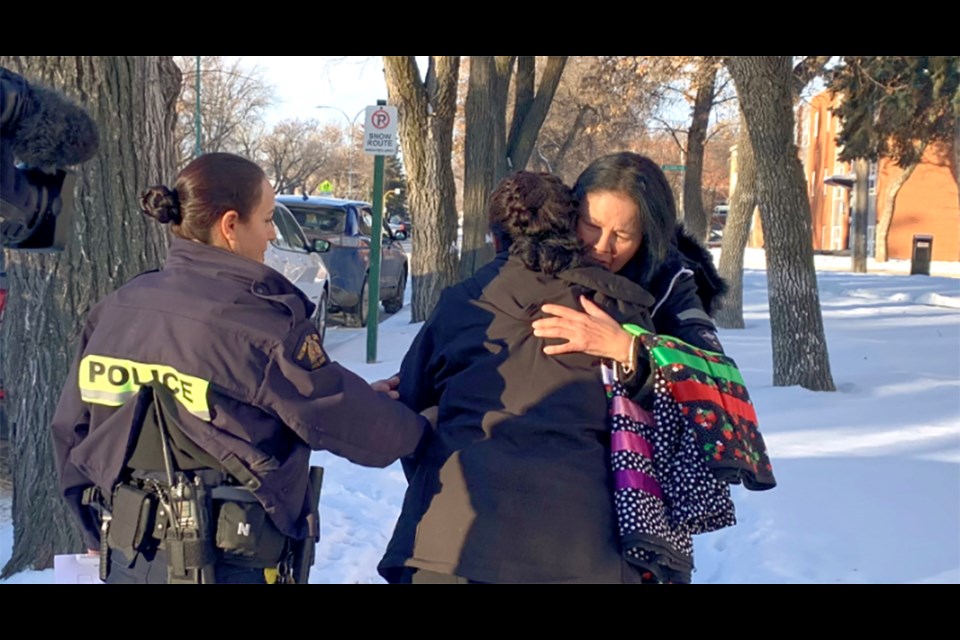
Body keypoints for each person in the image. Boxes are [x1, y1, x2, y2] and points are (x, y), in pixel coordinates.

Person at [51, 152, 429, 584]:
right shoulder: (254, 321)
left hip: (129, 552)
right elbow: (335, 415)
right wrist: (421, 430)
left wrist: (90, 527)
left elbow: (72, 428)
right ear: (230, 226)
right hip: (227, 558)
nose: (271, 235)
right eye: (267, 220)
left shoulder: (118, 308)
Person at [377, 171, 659, 584]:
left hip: (451, 547)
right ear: (569, 229)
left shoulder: (464, 303)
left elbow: (410, 413)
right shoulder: (625, 314)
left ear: (495, 238)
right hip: (584, 550)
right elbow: (658, 419)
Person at [531, 152, 729, 401]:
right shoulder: (536, 258)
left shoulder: (670, 282)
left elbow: (719, 380)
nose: (602, 246)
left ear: (647, 238)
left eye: (622, 236)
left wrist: (628, 349)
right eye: (591, 226)